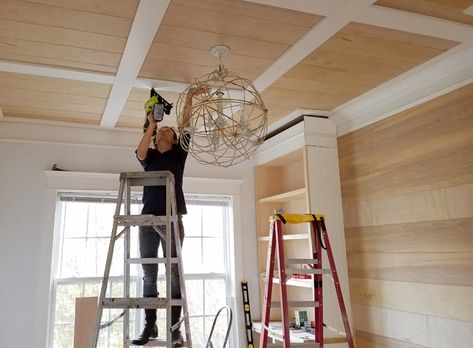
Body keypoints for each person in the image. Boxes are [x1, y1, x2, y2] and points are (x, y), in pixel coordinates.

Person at [132, 86, 206, 346]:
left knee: (174, 272)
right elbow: (139, 152)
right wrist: (152, 124)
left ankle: (174, 329)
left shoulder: (178, 155)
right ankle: (149, 326)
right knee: (148, 273)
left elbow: (185, 124)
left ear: (174, 140)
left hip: (173, 219)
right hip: (148, 221)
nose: (166, 130)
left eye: (169, 131)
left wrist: (192, 97)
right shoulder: (149, 156)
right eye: (163, 130)